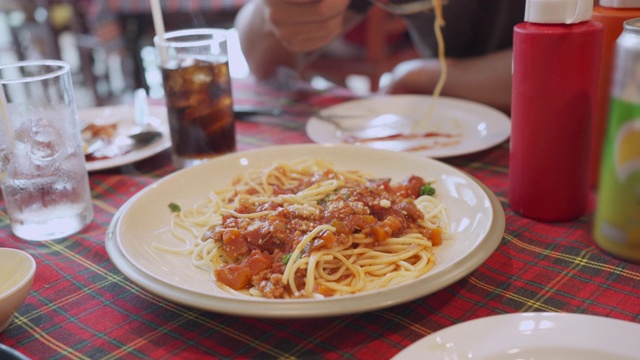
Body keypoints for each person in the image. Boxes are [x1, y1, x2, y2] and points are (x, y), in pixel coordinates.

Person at [234, 0, 526, 114]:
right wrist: (273, 12)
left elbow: (564, 69)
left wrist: (424, 76)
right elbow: (264, 63)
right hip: (443, 126)